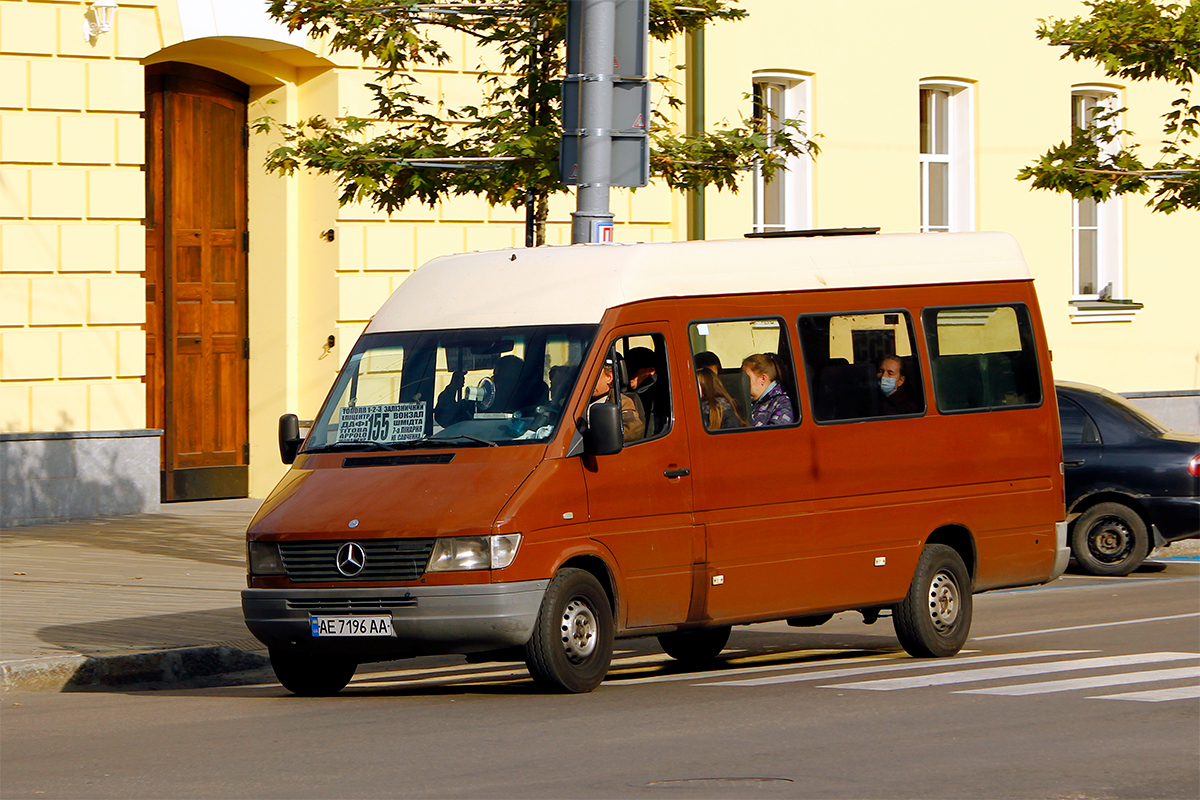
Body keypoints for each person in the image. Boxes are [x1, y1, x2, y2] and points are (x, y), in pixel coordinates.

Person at [589, 358, 644, 442]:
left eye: (592, 376)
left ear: (609, 377)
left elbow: (634, 429)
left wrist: (602, 435)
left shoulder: (621, 401)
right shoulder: (570, 402)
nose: (587, 381)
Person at [741, 353, 795, 427]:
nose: (743, 383)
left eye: (746, 378)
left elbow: (776, 436)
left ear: (763, 379)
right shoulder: (751, 401)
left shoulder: (782, 405)